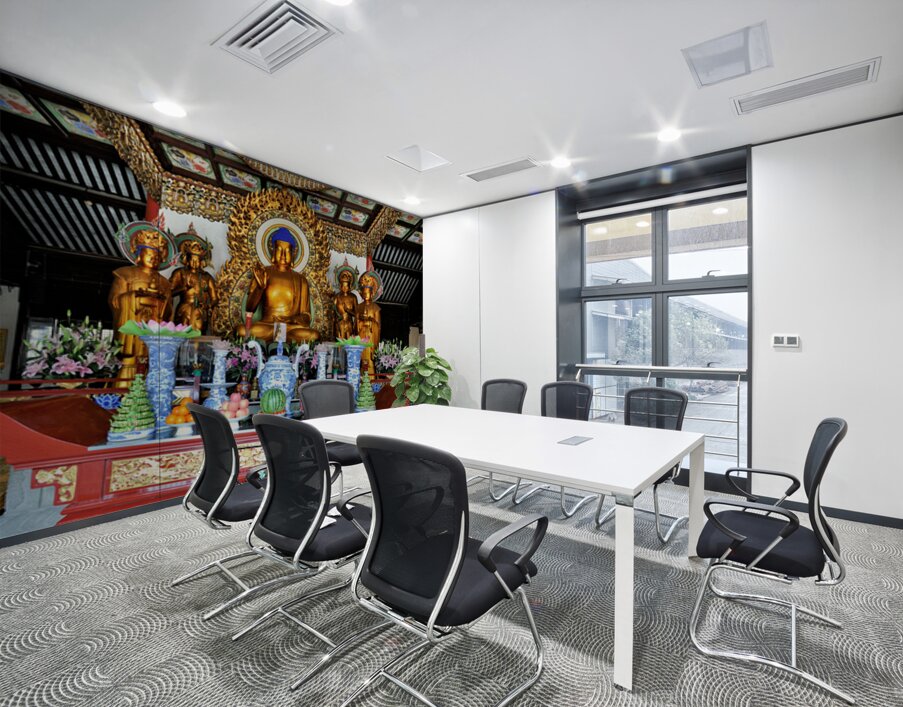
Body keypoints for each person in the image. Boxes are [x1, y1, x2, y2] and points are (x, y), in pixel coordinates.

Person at [108, 227, 173, 381]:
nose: (154, 258)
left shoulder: (164, 283)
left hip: (154, 326)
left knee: (151, 361)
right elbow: (115, 301)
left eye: (157, 256)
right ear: (138, 254)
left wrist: (159, 301)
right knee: (129, 363)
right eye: (149, 254)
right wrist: (135, 298)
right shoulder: (125, 274)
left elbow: (169, 310)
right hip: (133, 327)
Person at [238, 228, 319, 344]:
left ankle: (281, 338)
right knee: (241, 331)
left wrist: (291, 319)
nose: (283, 255)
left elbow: (306, 316)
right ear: (273, 251)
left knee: (314, 335)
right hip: (268, 326)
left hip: (290, 328)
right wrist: (260, 289)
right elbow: (249, 308)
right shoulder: (263, 273)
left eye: (287, 251)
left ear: (293, 254)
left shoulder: (301, 280)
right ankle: (282, 339)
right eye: (279, 250)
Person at [170, 232, 218, 332]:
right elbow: (169, 292)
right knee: (183, 331)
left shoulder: (206, 277)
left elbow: (214, 298)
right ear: (187, 260)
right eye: (192, 260)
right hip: (184, 308)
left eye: (197, 260)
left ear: (201, 262)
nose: (195, 263)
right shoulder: (180, 273)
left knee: (198, 332)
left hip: (200, 310)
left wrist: (208, 306)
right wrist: (183, 288)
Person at [356, 271, 381, 375]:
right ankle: (361, 376)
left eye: (368, 293)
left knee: (369, 359)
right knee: (361, 357)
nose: (366, 295)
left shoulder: (376, 308)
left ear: (372, 293)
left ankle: (370, 377)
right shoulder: (359, 307)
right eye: (364, 293)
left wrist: (370, 321)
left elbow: (378, 326)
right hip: (361, 333)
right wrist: (360, 321)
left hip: (370, 335)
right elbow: (356, 322)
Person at [332, 264, 358, 340]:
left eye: (346, 286)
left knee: (349, 343)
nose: (345, 288)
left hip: (349, 323)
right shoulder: (337, 296)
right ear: (340, 286)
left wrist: (348, 311)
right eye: (343, 286)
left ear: (350, 286)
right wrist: (337, 319)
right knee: (340, 343)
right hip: (339, 323)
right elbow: (333, 312)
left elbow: (357, 314)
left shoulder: (353, 297)